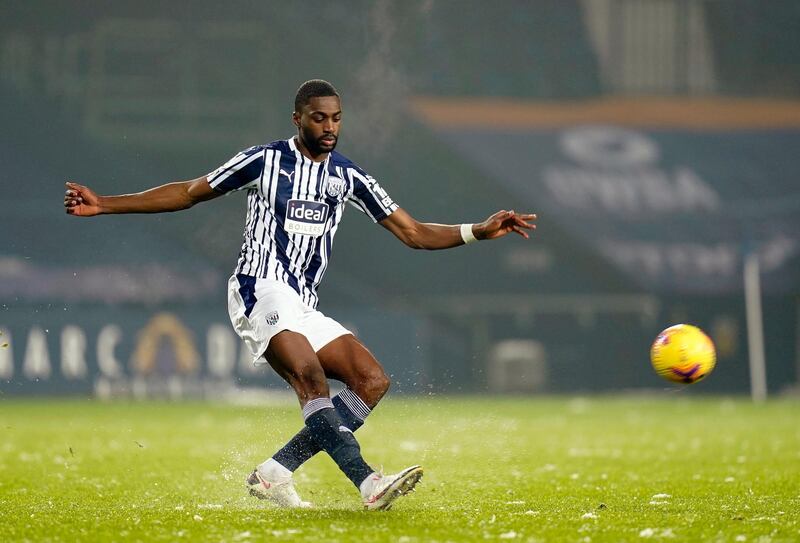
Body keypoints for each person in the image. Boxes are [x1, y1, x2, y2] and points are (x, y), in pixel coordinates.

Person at [64, 79, 536, 511]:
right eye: (319, 118)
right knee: (309, 376)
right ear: (298, 119)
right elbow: (188, 192)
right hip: (258, 289)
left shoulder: (348, 177)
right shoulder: (264, 160)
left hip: (301, 302)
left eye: (336, 118)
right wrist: (105, 203)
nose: (329, 127)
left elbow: (412, 232)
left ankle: (273, 473)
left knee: (371, 381)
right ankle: (368, 482)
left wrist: (477, 229)